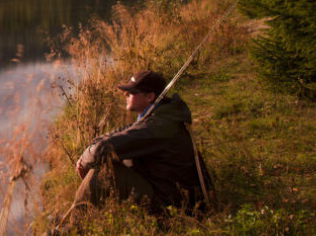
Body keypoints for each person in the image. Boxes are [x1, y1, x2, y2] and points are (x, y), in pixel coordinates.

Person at [70, 70, 212, 217]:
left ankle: (71, 228)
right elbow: (106, 138)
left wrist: (84, 161)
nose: (126, 94)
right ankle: (75, 224)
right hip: (167, 197)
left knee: (104, 173)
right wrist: (89, 153)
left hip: (177, 210)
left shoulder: (157, 126)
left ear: (150, 96)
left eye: (132, 92)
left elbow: (102, 149)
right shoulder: (157, 117)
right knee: (108, 164)